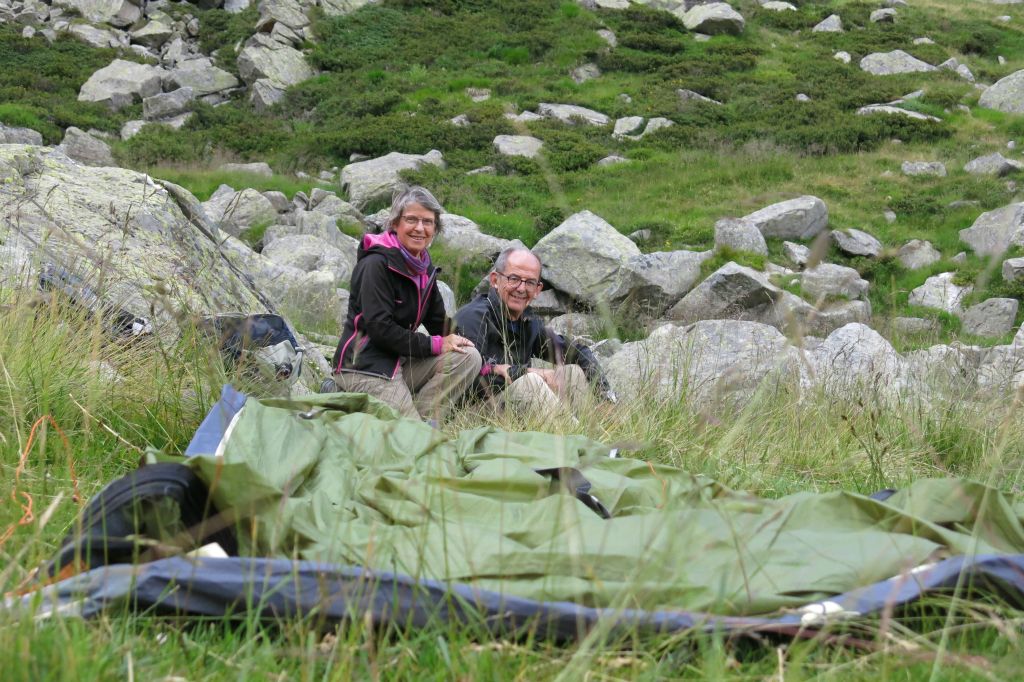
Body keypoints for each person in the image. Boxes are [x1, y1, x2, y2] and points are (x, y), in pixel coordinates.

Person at [332, 186, 481, 420]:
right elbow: (380, 328)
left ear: (435, 228)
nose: (420, 228)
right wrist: (434, 345)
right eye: (411, 219)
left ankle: (424, 421)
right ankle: (414, 429)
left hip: (399, 361)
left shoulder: (423, 268)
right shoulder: (376, 265)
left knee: (468, 356)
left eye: (428, 222)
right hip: (365, 367)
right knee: (409, 434)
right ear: (395, 223)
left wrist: (466, 343)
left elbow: (439, 324)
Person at [454, 246, 615, 412]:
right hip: (472, 411)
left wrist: (606, 396)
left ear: (537, 289)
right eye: (514, 278)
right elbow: (472, 373)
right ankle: (571, 435)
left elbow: (578, 352)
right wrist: (525, 373)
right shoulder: (473, 317)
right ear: (495, 280)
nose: (522, 288)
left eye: (530, 282)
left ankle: (592, 427)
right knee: (530, 383)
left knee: (573, 372)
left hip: (513, 407)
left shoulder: (528, 321)